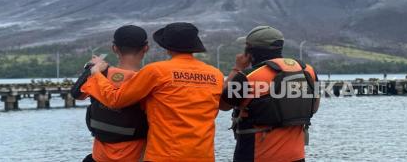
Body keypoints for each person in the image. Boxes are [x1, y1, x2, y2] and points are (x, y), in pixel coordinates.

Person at [81, 22, 224, 162]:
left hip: (164, 155)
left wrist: (96, 74)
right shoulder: (216, 74)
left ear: (167, 47)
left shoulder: (157, 71)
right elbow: (224, 105)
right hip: (204, 155)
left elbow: (115, 99)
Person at [219, 26, 320, 162]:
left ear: (250, 51)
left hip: (256, 156)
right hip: (296, 156)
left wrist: (237, 68)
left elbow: (222, 104)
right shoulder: (308, 71)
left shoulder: (248, 77)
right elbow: (314, 107)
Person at [71, 25, 149, 162]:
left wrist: (92, 69)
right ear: (146, 48)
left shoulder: (101, 74)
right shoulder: (148, 81)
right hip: (134, 157)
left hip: (99, 157)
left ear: (114, 48)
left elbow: (76, 93)